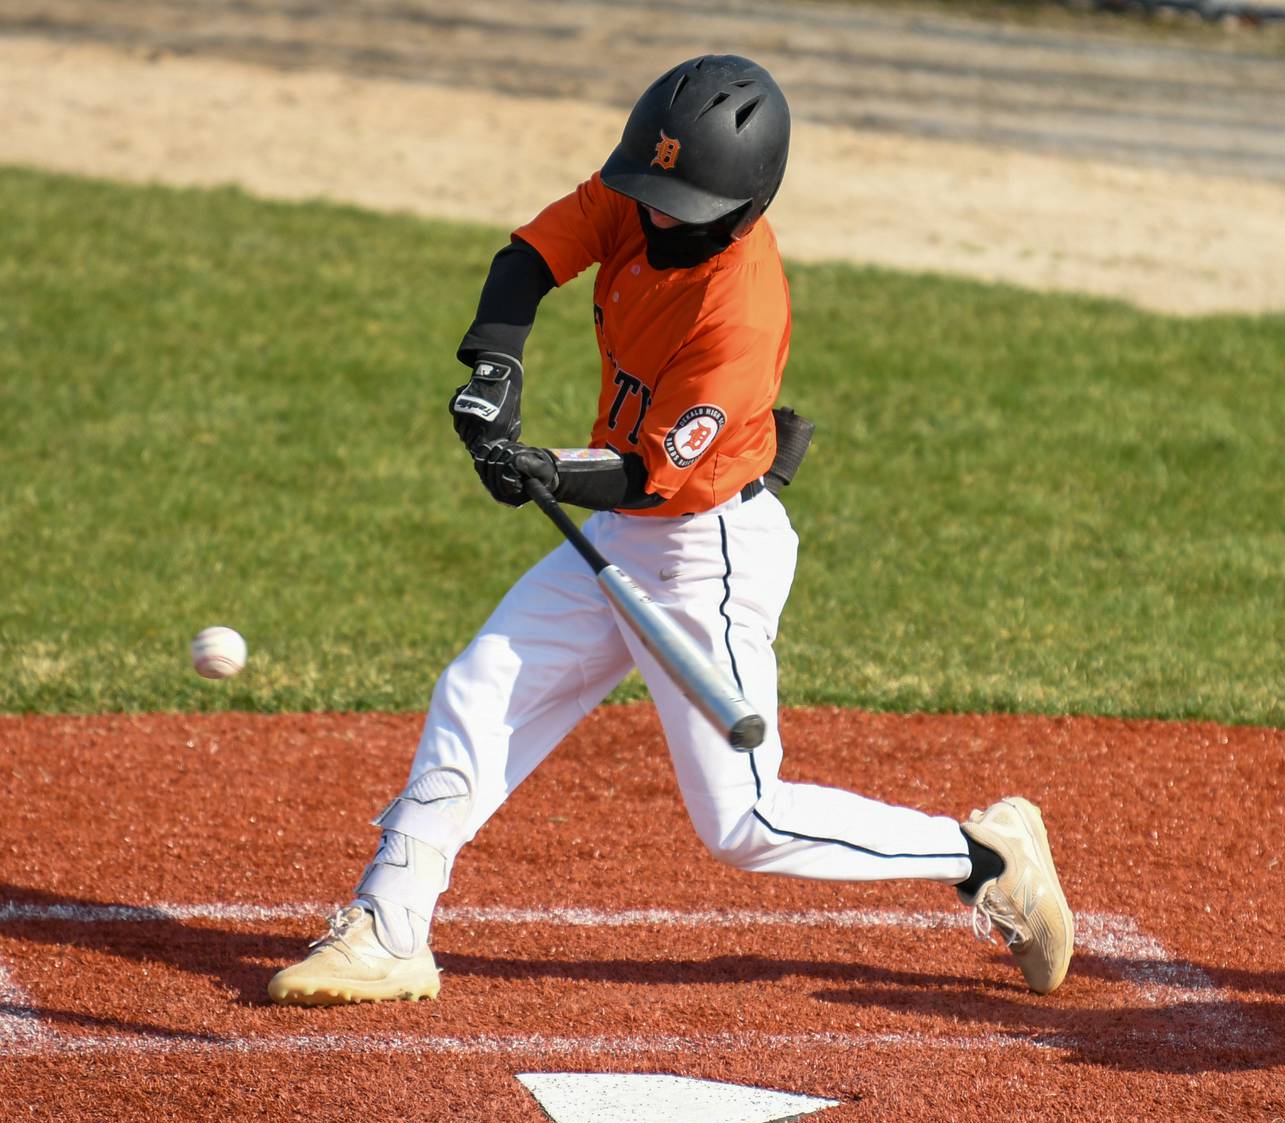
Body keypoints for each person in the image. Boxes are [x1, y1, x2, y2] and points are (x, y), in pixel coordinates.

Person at [267, 55, 1074, 1006]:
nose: (652, 216)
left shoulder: (737, 313)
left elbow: (648, 479)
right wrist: (494, 371)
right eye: (650, 193)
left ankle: (983, 858)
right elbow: (526, 260)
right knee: (478, 691)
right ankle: (389, 927)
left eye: (677, 205)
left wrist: (547, 470)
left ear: (739, 205)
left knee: (746, 822)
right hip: (622, 533)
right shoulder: (645, 191)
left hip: (704, 554)